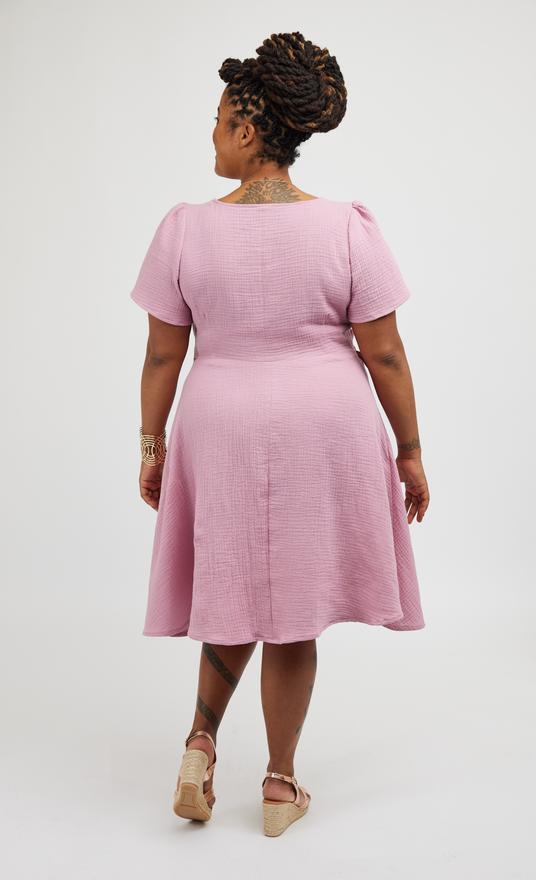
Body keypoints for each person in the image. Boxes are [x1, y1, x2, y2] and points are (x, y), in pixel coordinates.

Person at [129, 31, 429, 837]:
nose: (212, 134)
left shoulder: (185, 228)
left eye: (219, 120)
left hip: (219, 421)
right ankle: (278, 784)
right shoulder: (346, 227)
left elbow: (162, 355)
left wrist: (153, 448)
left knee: (232, 588)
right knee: (294, 603)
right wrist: (409, 450)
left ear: (248, 129)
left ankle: (200, 745)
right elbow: (385, 352)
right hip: (321, 425)